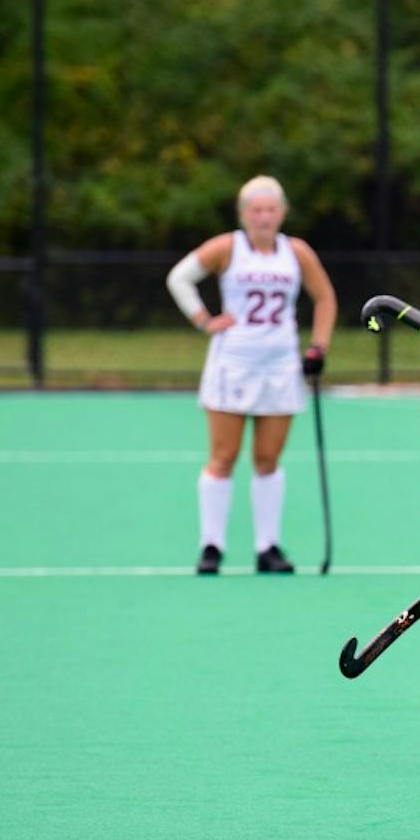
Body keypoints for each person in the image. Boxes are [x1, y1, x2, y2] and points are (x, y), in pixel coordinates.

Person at [165, 175, 338, 576]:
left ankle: (267, 546)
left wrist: (318, 347)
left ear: (282, 213)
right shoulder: (228, 247)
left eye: (271, 209)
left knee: (267, 458)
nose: (264, 217)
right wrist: (204, 320)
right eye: (256, 210)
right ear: (244, 214)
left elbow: (325, 298)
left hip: (280, 366)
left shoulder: (296, 252)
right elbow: (179, 278)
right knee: (223, 456)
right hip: (233, 364)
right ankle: (211, 546)